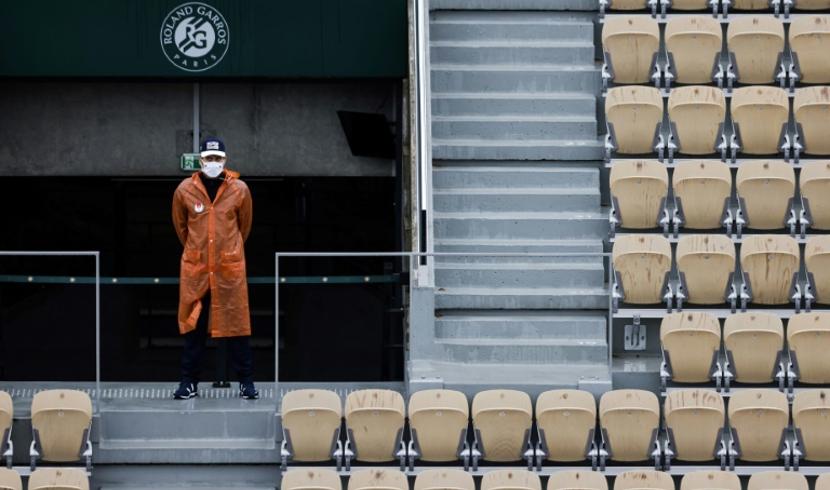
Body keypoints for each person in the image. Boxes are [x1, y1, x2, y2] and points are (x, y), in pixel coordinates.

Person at [171, 137, 259, 400]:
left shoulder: (240, 189)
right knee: (193, 327)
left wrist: (229, 250)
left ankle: (246, 382)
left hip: (227, 269)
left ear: (225, 160)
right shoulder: (184, 190)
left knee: (236, 326)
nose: (213, 163)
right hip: (196, 269)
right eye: (209, 159)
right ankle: (189, 383)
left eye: (217, 158)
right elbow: (181, 228)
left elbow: (244, 226)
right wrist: (197, 250)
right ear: (200, 160)